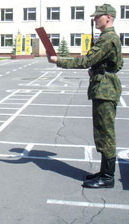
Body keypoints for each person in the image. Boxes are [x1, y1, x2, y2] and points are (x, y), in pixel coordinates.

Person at [47, 3, 123, 189]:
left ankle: (107, 177)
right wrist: (99, 70)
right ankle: (105, 171)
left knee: (105, 132)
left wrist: (58, 61)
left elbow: (87, 60)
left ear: (108, 17)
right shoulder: (109, 37)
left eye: (98, 16)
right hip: (104, 87)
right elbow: (117, 64)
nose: (95, 19)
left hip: (105, 90)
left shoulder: (107, 38)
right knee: (102, 131)